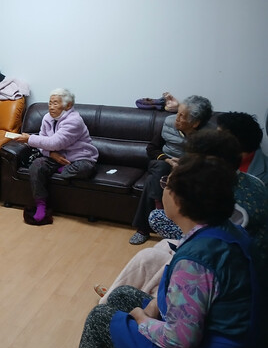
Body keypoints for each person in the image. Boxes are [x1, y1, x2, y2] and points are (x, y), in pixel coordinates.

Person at [47, 154, 264, 348]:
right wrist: (153, 307)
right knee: (122, 295)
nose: (163, 189)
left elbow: (181, 338)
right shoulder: (226, 230)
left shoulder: (196, 261)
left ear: (181, 200)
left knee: (101, 318)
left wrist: (143, 320)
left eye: (166, 184)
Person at [97, 129, 268, 302]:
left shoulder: (224, 208)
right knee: (161, 247)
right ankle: (118, 294)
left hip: (232, 277)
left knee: (148, 258)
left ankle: (117, 299)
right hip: (230, 266)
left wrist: (146, 310)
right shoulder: (249, 184)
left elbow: (182, 312)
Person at [129, 95, 212, 244]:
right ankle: (159, 208)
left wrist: (185, 164)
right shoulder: (168, 123)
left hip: (190, 169)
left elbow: (209, 160)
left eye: (182, 116)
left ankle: (143, 229)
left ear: (195, 123)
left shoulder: (209, 135)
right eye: (177, 113)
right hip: (162, 162)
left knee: (152, 180)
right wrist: (167, 159)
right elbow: (151, 148)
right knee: (161, 168)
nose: (176, 119)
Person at [15, 88, 98, 226]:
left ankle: (62, 170)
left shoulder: (74, 121)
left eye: (55, 103)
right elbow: (42, 143)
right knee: (36, 165)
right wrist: (51, 154)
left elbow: (55, 143)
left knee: (85, 168)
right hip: (54, 157)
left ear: (68, 105)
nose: (51, 107)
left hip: (78, 158)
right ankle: (41, 205)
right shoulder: (47, 118)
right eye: (50, 103)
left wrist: (29, 139)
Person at [217, 111, 268, 186]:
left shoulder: (265, 175)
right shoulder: (211, 158)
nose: (214, 138)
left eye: (219, 135)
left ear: (236, 141)